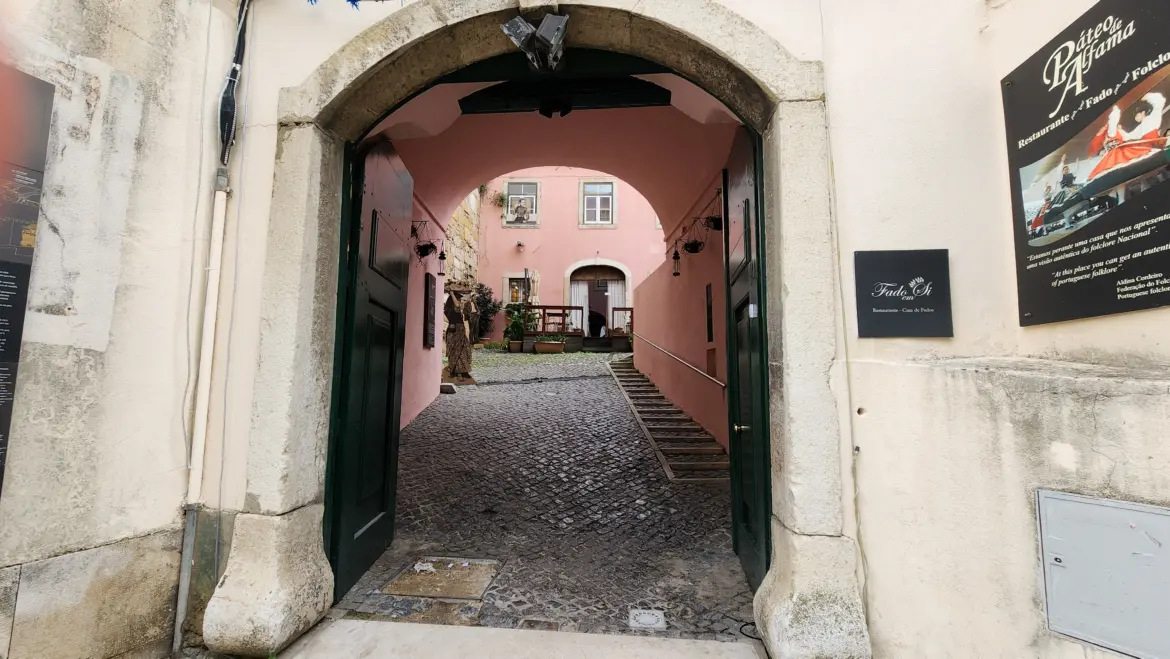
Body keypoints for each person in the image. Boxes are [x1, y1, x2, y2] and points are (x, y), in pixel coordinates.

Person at [1088, 92, 1167, 180]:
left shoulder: (1153, 119)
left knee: (1157, 170)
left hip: (1149, 149)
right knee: (1148, 174)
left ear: (1143, 112)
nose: (1135, 117)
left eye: (1137, 114)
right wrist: (1120, 130)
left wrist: (1145, 98)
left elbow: (1159, 101)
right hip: (1142, 150)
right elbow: (1129, 137)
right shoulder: (1140, 128)